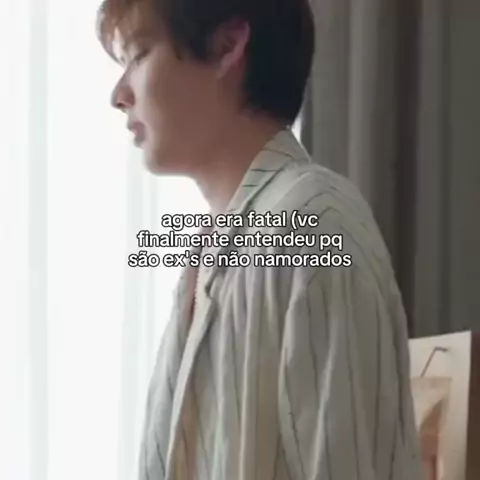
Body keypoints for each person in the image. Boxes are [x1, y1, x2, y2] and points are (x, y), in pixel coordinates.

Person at [96, 0, 422, 478]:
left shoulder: (311, 223)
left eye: (139, 55)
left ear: (227, 47)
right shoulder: (210, 255)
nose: (119, 94)